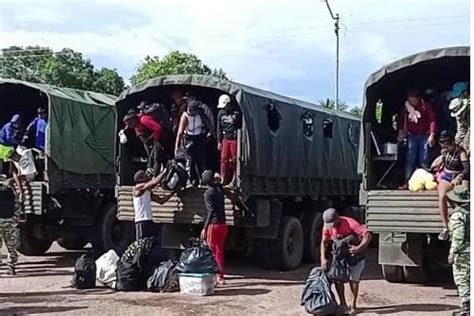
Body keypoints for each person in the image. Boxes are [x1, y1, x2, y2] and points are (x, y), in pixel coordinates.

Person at [320, 208, 372, 314]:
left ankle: (353, 305)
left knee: (353, 280)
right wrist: (323, 258)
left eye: (333, 223)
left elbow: (368, 235)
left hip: (355, 256)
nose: (331, 226)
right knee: (337, 278)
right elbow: (324, 242)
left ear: (337, 219)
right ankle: (343, 303)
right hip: (340, 256)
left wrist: (358, 248)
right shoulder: (327, 227)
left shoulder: (350, 223)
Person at [397, 90, 437, 189]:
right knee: (410, 159)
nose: (412, 102)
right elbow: (400, 120)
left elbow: (432, 119)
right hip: (411, 136)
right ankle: (408, 182)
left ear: (418, 99)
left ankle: (427, 183)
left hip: (424, 135)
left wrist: (432, 134)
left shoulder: (425, 106)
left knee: (424, 159)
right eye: (410, 100)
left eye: (414, 100)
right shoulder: (406, 108)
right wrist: (400, 131)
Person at [435, 132, 469, 241]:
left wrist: (460, 176)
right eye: (443, 147)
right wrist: (441, 159)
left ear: (453, 143)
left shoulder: (461, 152)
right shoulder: (445, 152)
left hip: (459, 176)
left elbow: (467, 169)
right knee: (442, 196)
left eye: (447, 146)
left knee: (464, 194)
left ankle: (464, 223)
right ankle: (445, 227)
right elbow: (444, 161)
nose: (445, 149)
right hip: (447, 176)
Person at [175, 101, 212, 186]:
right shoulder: (185, 116)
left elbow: (208, 123)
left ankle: (203, 180)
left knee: (201, 160)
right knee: (190, 160)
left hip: (199, 138)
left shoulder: (201, 114)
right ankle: (191, 180)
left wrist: (209, 132)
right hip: (189, 139)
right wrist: (177, 146)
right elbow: (180, 132)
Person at [200, 170, 228, 285]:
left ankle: (216, 276)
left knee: (212, 252)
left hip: (214, 225)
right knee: (219, 251)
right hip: (223, 224)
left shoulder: (208, 193)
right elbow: (219, 180)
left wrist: (205, 227)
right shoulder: (219, 189)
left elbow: (210, 211)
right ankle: (220, 275)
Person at [133, 169, 176, 241]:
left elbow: (161, 201)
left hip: (149, 221)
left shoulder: (147, 191)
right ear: (140, 179)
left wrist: (173, 193)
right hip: (141, 221)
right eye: (145, 176)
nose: (147, 176)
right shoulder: (137, 188)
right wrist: (165, 171)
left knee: (149, 244)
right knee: (140, 244)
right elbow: (154, 182)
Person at [447, 186, 470, 316]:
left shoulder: (458, 215)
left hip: (464, 252)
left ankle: (466, 307)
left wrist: (452, 252)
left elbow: (458, 236)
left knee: (462, 279)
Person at [124, 111, 164, 176]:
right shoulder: (135, 125)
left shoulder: (144, 120)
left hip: (157, 139)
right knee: (150, 158)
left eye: (130, 124)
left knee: (156, 158)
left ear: (134, 120)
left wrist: (153, 140)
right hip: (147, 141)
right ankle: (149, 174)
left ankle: (155, 176)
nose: (129, 126)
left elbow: (158, 128)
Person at [217, 94, 242, 186]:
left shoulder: (237, 113)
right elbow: (218, 127)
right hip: (225, 138)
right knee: (224, 159)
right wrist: (219, 141)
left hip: (234, 138)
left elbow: (240, 126)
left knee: (235, 159)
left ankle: (235, 178)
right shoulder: (221, 113)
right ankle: (223, 178)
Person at [0, 174, 20, 275]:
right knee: (11, 246)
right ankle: (11, 267)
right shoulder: (11, 192)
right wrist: (15, 219)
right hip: (9, 222)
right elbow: (17, 206)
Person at [448, 82, 470, 155]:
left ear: (465, 92)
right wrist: (458, 139)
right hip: (463, 133)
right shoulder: (458, 104)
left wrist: (467, 143)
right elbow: (460, 126)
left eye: (459, 94)